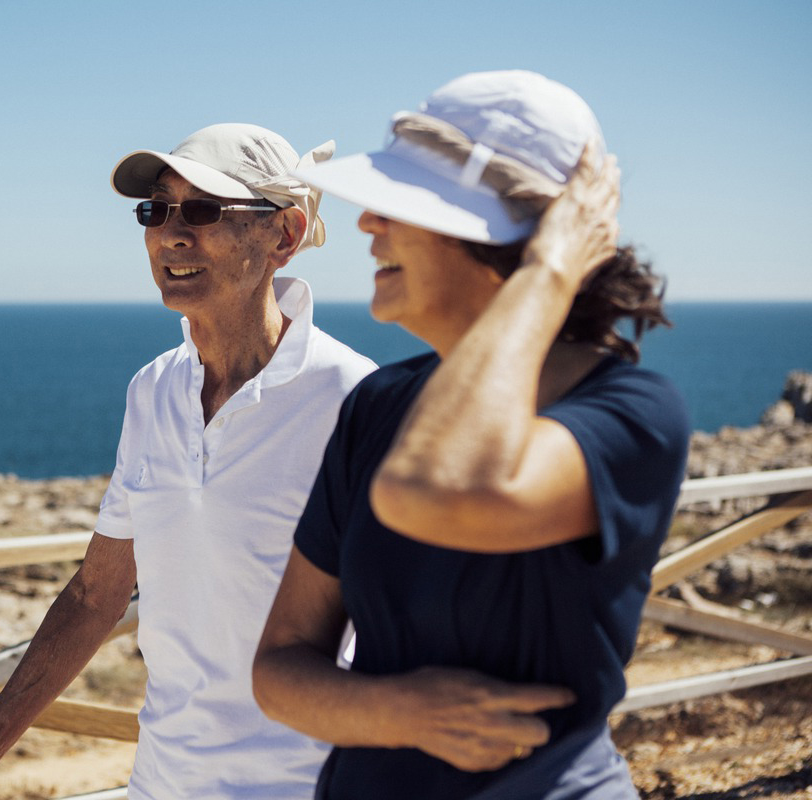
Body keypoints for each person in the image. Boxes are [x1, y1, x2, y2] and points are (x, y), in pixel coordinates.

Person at [253, 70, 691, 799]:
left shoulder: (633, 411)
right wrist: (404, 712)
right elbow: (280, 667)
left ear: (511, 242)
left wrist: (551, 267)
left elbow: (437, 487)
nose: (366, 224)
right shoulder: (380, 404)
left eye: (403, 207)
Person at [0, 123, 382, 800]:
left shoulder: (353, 400)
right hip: (162, 783)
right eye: (156, 210)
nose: (171, 233)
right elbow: (95, 595)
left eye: (203, 211)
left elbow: (409, 622)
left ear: (282, 236)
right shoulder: (154, 390)